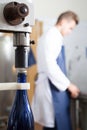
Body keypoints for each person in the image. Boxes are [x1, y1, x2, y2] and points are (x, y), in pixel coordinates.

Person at [31, 10, 80, 130]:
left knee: (53, 125)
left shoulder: (51, 36)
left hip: (52, 85)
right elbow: (51, 66)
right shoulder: (52, 36)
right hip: (52, 87)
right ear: (63, 22)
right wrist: (69, 85)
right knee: (57, 124)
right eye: (70, 28)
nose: (70, 32)